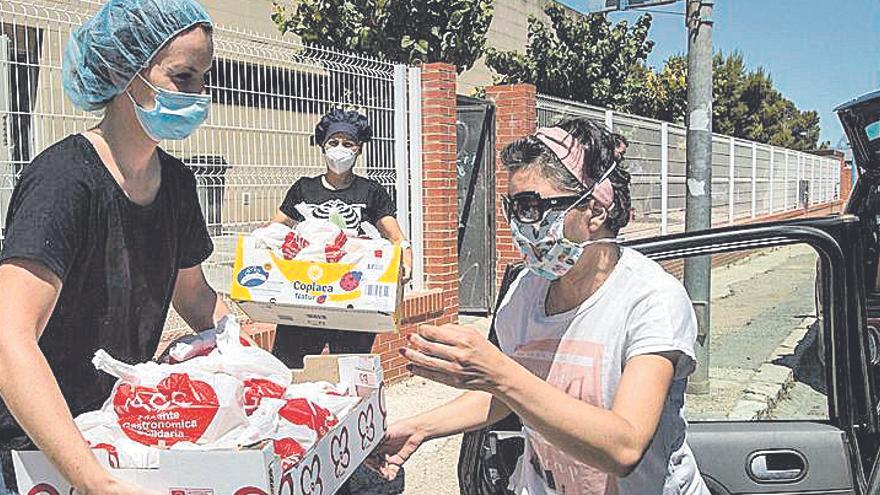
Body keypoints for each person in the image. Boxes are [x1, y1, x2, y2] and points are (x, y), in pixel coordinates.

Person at [373, 117, 709, 494]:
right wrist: (421, 427)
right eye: (512, 207)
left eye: (531, 206)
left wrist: (497, 371)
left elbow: (625, 447)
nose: (520, 224)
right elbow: (505, 396)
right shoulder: (525, 291)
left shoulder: (652, 299)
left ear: (595, 211)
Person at [0, 1, 230, 493]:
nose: (199, 96)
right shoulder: (64, 183)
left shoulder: (176, 185)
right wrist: (91, 479)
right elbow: (9, 338)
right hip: (35, 453)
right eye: (183, 76)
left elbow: (193, 295)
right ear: (125, 74)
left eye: (204, 78)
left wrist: (247, 353)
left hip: (109, 433)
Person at [269, 108, 414, 369]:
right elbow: (274, 230)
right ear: (323, 147)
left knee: (350, 370)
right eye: (333, 142)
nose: (340, 149)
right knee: (290, 366)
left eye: (348, 143)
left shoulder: (371, 191)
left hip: (352, 298)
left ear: (358, 149)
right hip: (305, 294)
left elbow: (395, 237)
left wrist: (406, 260)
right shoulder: (304, 188)